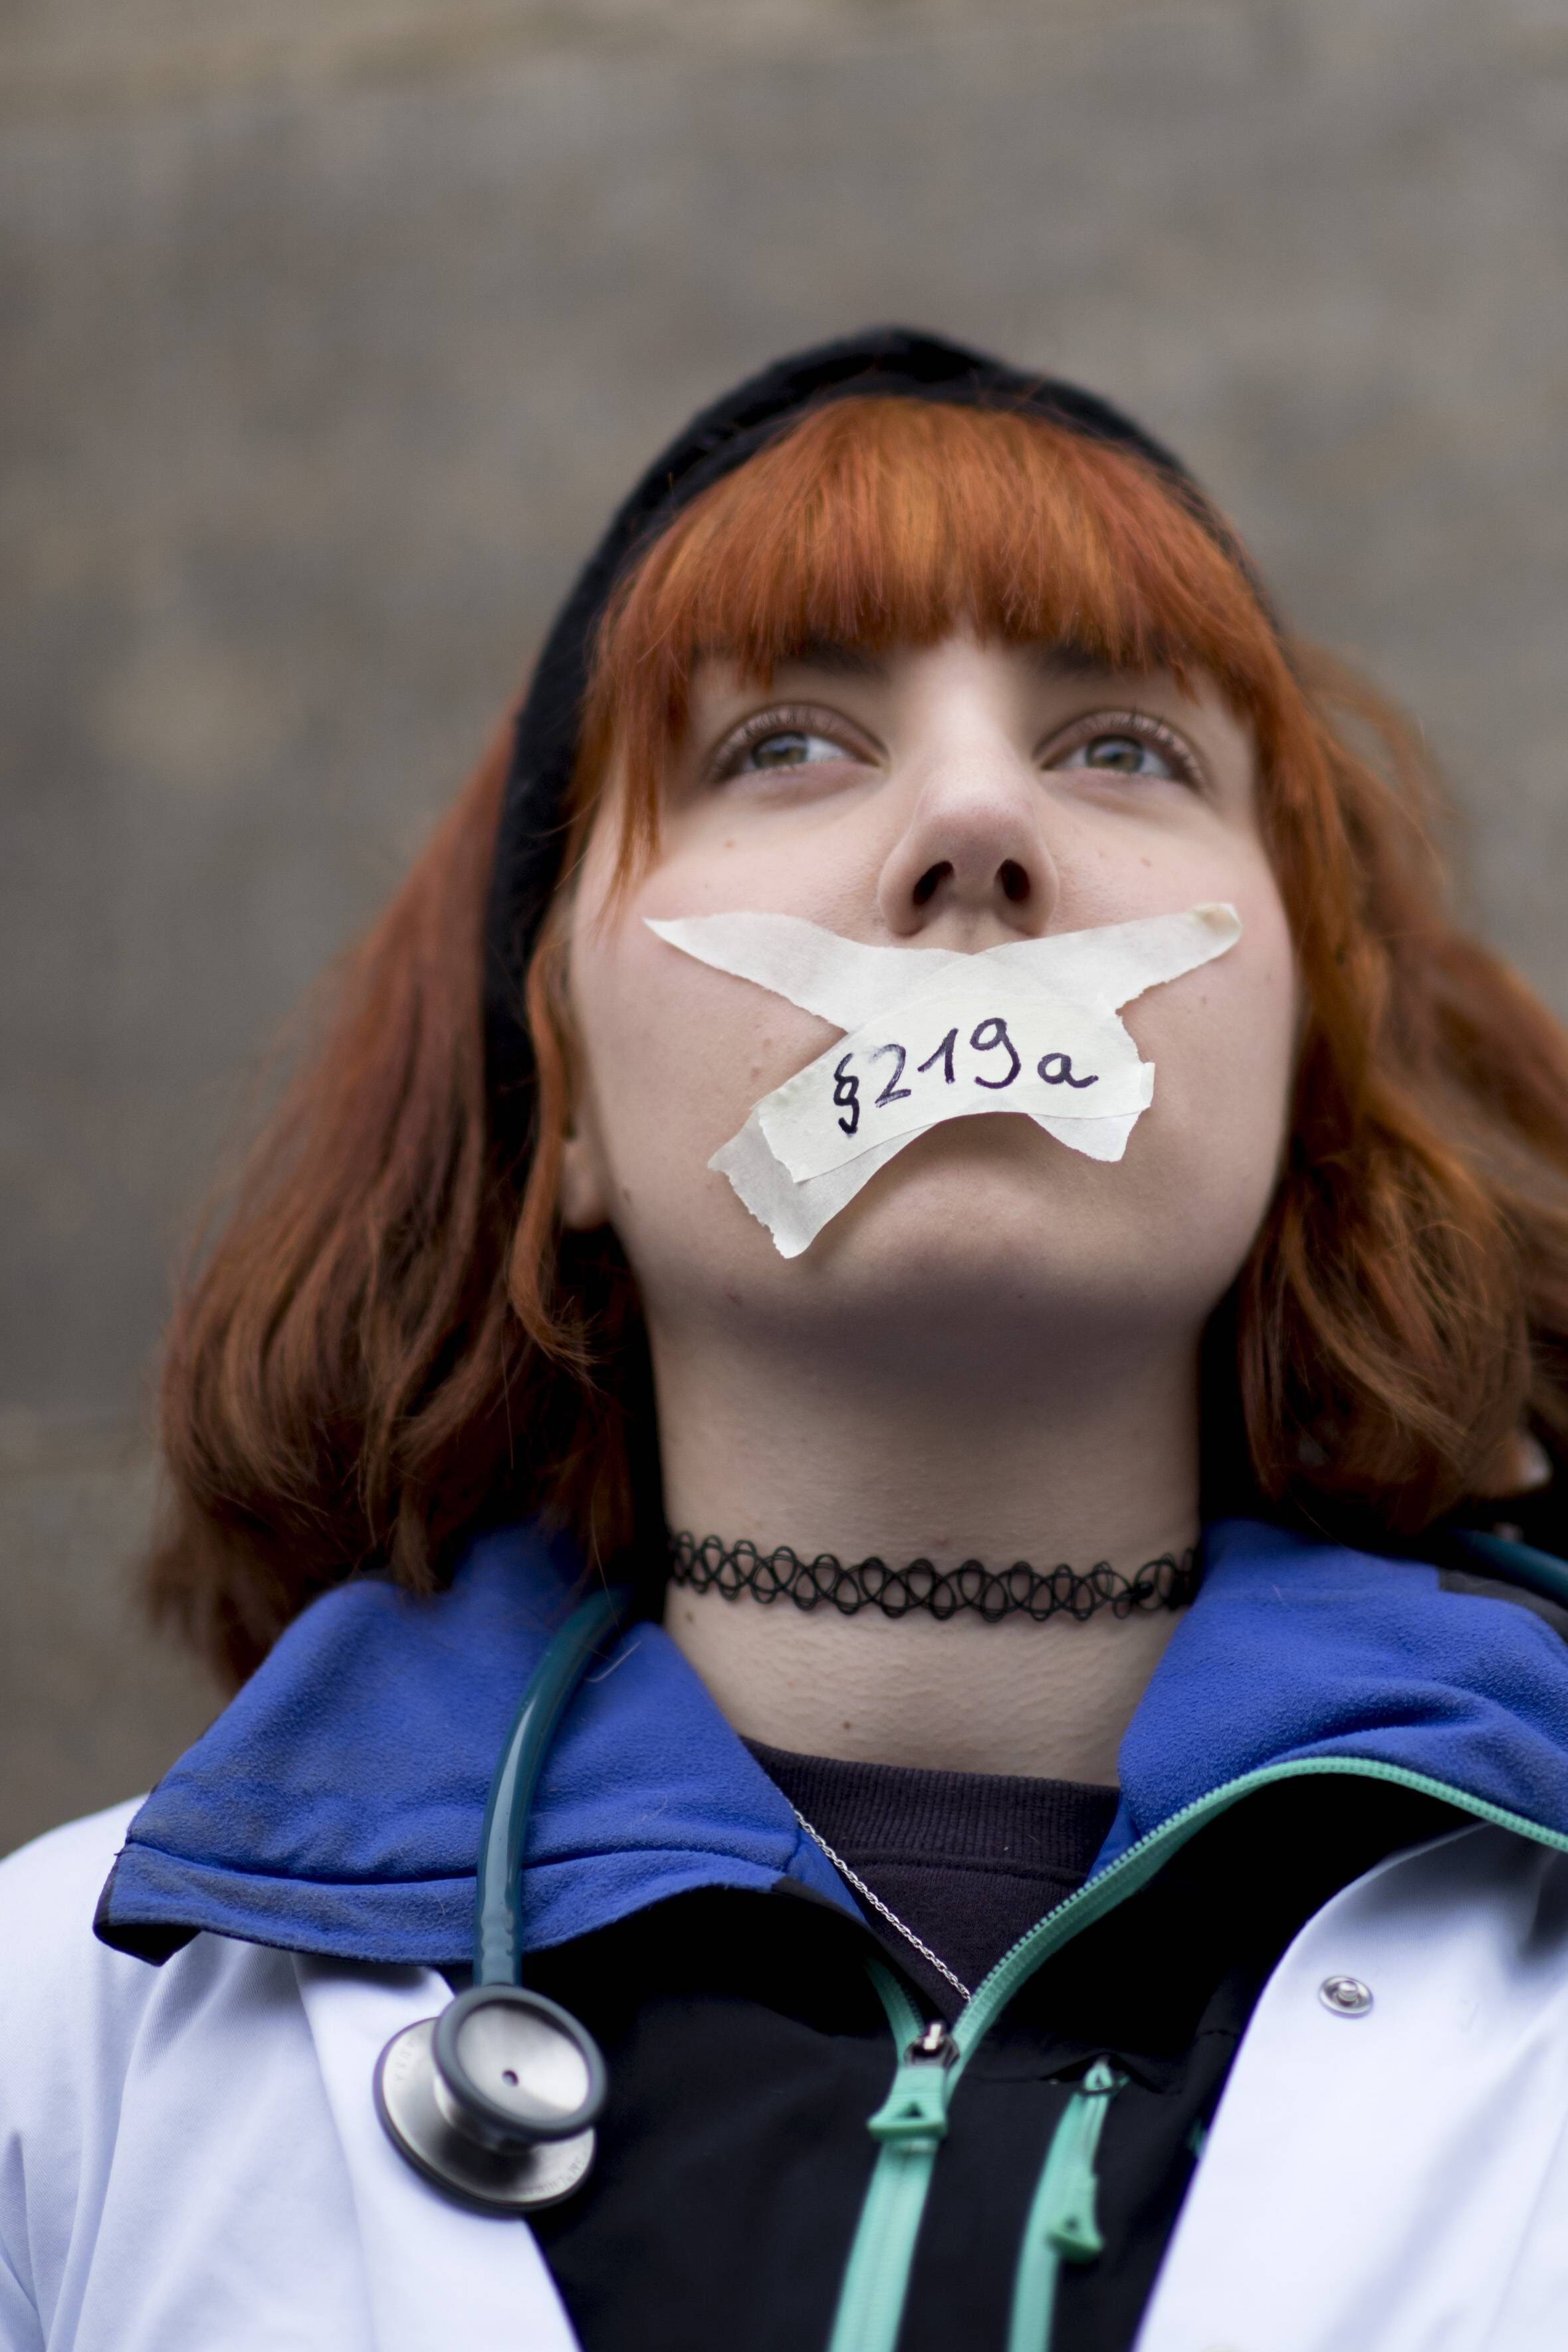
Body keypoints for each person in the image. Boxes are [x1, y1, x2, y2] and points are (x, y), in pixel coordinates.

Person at [6, 327, 1568, 2352]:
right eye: (785, 743)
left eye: (1125, 748)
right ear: (556, 1101)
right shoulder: (69, 2056)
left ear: (1305, 1067)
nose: (980, 820)